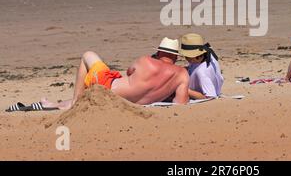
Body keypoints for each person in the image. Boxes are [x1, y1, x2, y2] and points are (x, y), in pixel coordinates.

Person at [40, 37, 189, 110]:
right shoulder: (182, 74)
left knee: (88, 55)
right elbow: (180, 104)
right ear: (176, 57)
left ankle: (73, 103)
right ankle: (56, 104)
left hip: (109, 89)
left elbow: (129, 72)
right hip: (132, 104)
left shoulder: (146, 60)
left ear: (159, 51)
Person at [179, 33, 224, 99]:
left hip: (201, 92)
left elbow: (210, 96)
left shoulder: (201, 72)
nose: (185, 58)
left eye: (187, 56)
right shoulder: (209, 57)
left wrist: (182, 89)